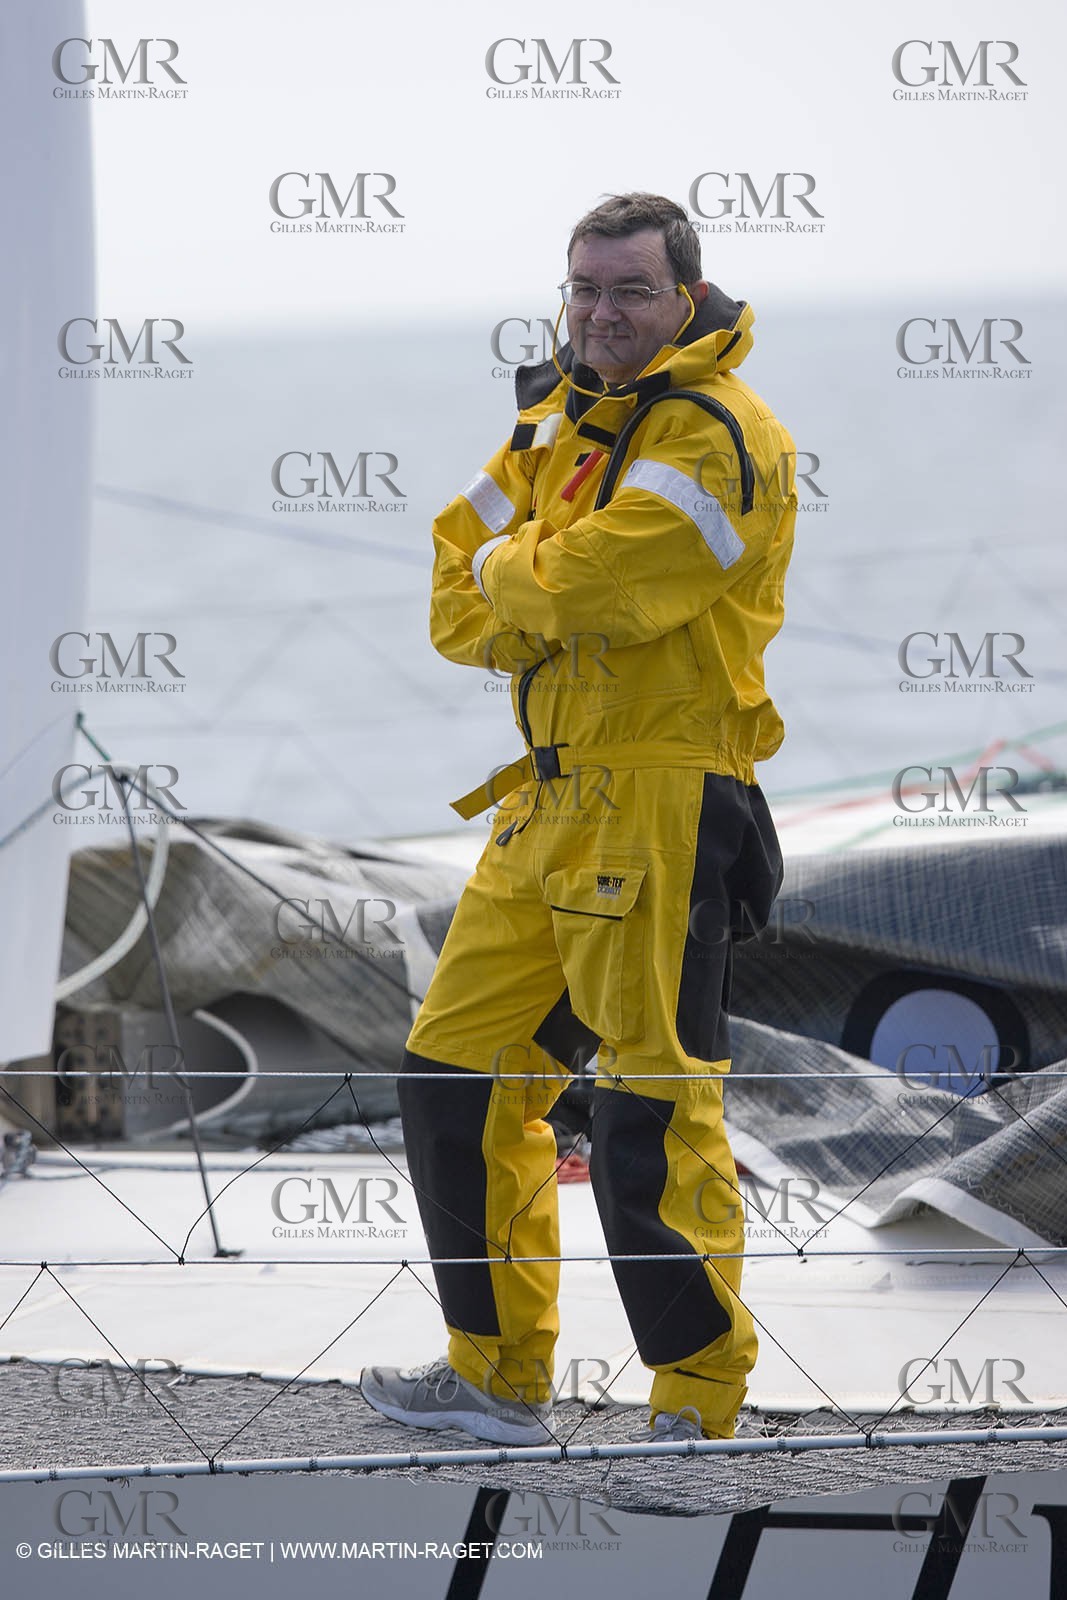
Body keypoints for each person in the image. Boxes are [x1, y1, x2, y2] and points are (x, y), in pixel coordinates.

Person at [361, 192, 796, 1447]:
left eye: (630, 292)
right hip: (546, 794)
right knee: (453, 1074)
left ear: (685, 297)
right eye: (584, 290)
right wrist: (533, 578)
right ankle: (496, 1377)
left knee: (652, 1105)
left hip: (661, 794)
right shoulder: (557, 415)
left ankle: (696, 1403)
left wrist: (521, 573)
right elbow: (453, 589)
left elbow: (611, 579)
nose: (601, 314)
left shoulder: (717, 432)